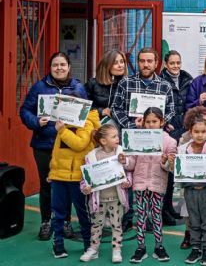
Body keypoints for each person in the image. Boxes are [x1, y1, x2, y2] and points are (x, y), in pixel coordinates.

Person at [19, 51, 86, 241]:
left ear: (69, 67)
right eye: (55, 65)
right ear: (50, 68)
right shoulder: (40, 86)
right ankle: (46, 222)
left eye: (62, 65)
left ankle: (65, 222)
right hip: (44, 144)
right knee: (46, 184)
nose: (59, 68)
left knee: (68, 185)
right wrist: (35, 121)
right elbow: (24, 110)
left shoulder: (78, 88)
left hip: (68, 145)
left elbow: (85, 114)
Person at [47, 55, 101, 259]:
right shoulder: (61, 121)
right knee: (58, 213)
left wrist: (62, 131)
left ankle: (89, 246)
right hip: (59, 176)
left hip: (79, 176)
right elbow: (56, 150)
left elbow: (79, 145)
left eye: (77, 99)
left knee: (84, 214)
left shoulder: (87, 122)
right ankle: (58, 244)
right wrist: (52, 171)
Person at [124, 107, 177, 263]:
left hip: (157, 184)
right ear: (143, 123)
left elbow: (170, 168)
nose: (151, 124)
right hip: (140, 184)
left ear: (162, 122)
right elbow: (131, 163)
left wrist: (165, 161)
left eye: (155, 121)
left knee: (156, 216)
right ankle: (141, 247)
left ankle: (159, 246)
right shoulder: (136, 138)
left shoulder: (170, 141)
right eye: (148, 122)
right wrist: (124, 161)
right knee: (141, 217)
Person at [80, 125, 131, 263]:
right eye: (114, 136)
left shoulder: (120, 152)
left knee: (117, 225)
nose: (117, 138)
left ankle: (116, 249)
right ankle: (93, 249)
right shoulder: (92, 156)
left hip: (116, 198)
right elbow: (85, 178)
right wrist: (85, 188)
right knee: (96, 225)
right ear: (103, 141)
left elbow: (127, 171)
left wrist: (127, 182)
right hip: (99, 199)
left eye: (117, 135)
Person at [175, 114, 206, 266]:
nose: (199, 135)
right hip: (190, 191)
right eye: (196, 132)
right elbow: (173, 170)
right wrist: (170, 162)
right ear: (190, 132)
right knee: (193, 221)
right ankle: (195, 248)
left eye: (203, 132)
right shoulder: (182, 149)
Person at [160, 49, 193, 225]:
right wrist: (166, 122)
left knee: (175, 174)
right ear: (166, 64)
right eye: (172, 63)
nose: (175, 66)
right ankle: (163, 211)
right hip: (168, 128)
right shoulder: (161, 81)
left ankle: (170, 208)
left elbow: (191, 103)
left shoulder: (188, 79)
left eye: (178, 63)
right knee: (166, 170)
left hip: (184, 128)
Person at [110, 48, 176, 131]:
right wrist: (130, 125)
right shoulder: (125, 83)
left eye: (149, 61)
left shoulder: (165, 86)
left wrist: (160, 123)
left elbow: (170, 111)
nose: (145, 65)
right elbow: (116, 108)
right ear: (138, 63)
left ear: (156, 63)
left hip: (156, 135)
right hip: (130, 134)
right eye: (142, 61)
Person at [85, 49, 127, 120]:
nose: (120, 65)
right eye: (115, 63)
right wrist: (101, 111)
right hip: (97, 124)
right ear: (107, 66)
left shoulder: (128, 84)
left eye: (122, 62)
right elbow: (82, 106)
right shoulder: (93, 83)